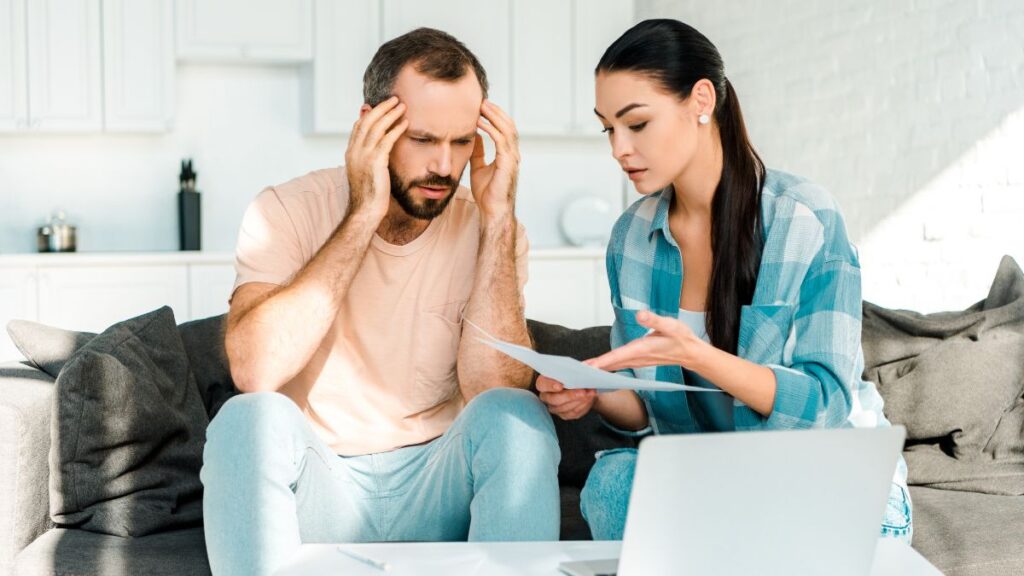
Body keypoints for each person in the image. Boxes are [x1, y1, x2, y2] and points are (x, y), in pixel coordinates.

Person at [200, 27, 560, 576]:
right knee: (244, 419)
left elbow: (495, 392)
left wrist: (497, 218)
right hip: (325, 486)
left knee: (517, 414)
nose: (444, 165)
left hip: (437, 485)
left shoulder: (493, 227)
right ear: (371, 125)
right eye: (422, 139)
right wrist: (363, 211)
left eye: (462, 141)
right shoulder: (285, 211)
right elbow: (256, 369)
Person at [536, 19, 912, 544]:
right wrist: (594, 391)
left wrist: (698, 355)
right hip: (707, 478)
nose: (618, 148)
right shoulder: (631, 238)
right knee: (612, 484)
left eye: (636, 124)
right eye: (608, 128)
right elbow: (645, 408)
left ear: (701, 100)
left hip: (819, 473)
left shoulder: (804, 220)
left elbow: (824, 406)